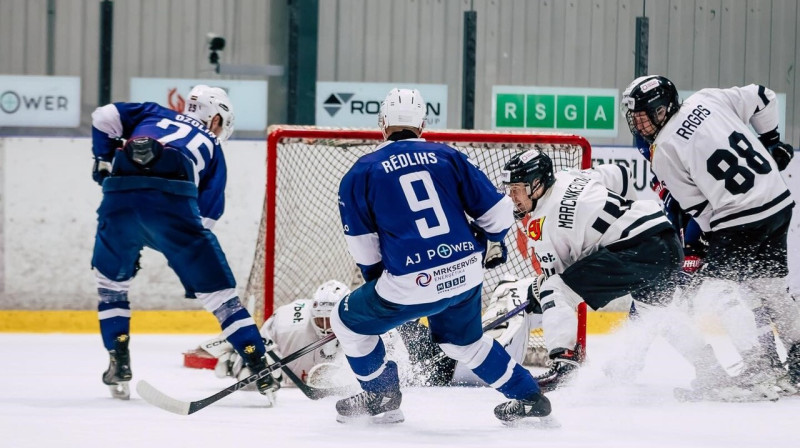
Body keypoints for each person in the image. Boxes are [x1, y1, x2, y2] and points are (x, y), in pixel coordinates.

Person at [331, 88, 551, 425]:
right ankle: (529, 397)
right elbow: (497, 215)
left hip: (408, 282)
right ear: (422, 124)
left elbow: (364, 249)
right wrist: (489, 241)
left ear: (382, 124)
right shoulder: (447, 156)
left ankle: (382, 395)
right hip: (465, 273)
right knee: (464, 344)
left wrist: (392, 294)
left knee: (345, 321)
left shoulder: (360, 173)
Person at [501, 148, 746, 398]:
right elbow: (622, 174)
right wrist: (619, 223)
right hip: (665, 237)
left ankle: (564, 362)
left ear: (537, 184)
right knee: (659, 315)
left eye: (517, 189)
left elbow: (558, 284)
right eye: (510, 189)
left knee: (552, 288)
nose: (513, 197)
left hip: (637, 250)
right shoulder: (571, 176)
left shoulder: (542, 227)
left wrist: (537, 292)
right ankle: (712, 370)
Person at [90, 85, 274, 400]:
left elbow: (103, 116)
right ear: (215, 117)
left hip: (119, 196)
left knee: (111, 285)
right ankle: (260, 367)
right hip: (174, 204)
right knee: (222, 299)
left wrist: (103, 159)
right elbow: (204, 221)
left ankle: (118, 362)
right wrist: (182, 255)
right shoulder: (214, 148)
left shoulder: (152, 112)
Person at [621, 75, 800, 395]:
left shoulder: (664, 150)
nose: (639, 126)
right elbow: (763, 95)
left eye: (644, 117)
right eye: (634, 119)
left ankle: (761, 371)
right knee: (769, 288)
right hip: (778, 202)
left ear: (662, 110)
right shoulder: (707, 98)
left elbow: (701, 211)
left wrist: (695, 249)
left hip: (739, 219)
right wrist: (771, 142)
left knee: (716, 294)